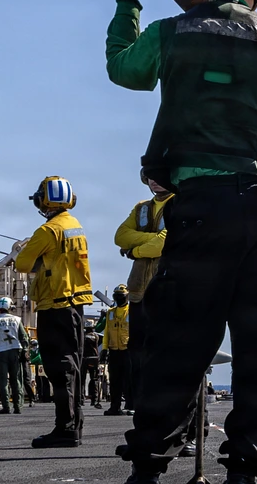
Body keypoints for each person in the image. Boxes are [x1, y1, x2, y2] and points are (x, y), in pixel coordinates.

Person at [107, 0, 257, 483]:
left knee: (178, 343)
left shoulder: (171, 33)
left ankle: (149, 469)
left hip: (201, 207)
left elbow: (123, 68)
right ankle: (245, 471)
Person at [14, 175, 93, 448]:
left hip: (54, 304)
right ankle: (75, 426)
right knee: (73, 367)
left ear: (43, 201)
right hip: (75, 306)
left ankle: (65, 429)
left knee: (59, 370)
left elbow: (22, 264)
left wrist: (39, 258)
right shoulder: (75, 226)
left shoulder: (47, 231)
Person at [115, 172, 173, 407]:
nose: (154, 180)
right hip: (139, 291)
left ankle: (162, 400)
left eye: (159, 174)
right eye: (149, 176)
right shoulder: (141, 208)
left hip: (166, 289)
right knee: (137, 349)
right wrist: (152, 238)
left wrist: (134, 251)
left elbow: (164, 243)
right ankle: (138, 401)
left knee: (165, 347)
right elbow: (120, 236)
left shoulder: (180, 204)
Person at [0, 296, 30, 414]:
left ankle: (6, 406)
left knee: (2, 381)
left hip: (1, 352)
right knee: (16, 379)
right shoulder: (17, 320)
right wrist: (25, 351)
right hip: (15, 351)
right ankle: (18, 406)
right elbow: (24, 337)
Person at [102, 284, 131, 416]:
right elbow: (107, 331)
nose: (119, 299)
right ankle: (115, 406)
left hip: (127, 350)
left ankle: (131, 405)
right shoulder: (110, 313)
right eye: (116, 296)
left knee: (129, 380)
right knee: (114, 381)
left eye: (121, 296)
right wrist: (104, 348)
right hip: (114, 351)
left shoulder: (132, 311)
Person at [83, 319, 101, 408]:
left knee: (81, 379)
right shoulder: (96, 336)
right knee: (94, 379)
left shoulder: (82, 336)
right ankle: (94, 399)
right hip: (93, 359)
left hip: (83, 358)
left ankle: (80, 399)